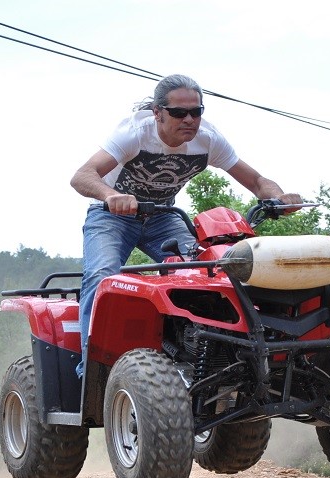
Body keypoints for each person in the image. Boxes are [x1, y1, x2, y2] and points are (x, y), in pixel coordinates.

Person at [70, 74, 302, 377]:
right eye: (179, 113)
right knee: (103, 274)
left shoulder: (209, 139)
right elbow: (82, 176)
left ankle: (205, 358)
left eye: (196, 112)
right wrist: (112, 195)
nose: (189, 119)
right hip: (112, 216)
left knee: (207, 270)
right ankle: (93, 370)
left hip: (164, 217)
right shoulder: (135, 133)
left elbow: (258, 182)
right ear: (157, 112)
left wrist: (280, 198)